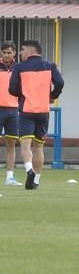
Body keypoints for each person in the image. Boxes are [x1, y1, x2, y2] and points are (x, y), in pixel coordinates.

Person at [9, 40, 64, 190]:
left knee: (25, 145)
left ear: (31, 51)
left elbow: (12, 89)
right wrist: (52, 95)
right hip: (43, 111)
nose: (20, 53)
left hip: (27, 111)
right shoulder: (50, 66)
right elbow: (60, 82)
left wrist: (22, 95)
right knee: (39, 147)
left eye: (22, 50)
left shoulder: (19, 67)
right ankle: (36, 181)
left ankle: (29, 171)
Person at [0, 41, 20, 186]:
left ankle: (10, 177)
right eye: (4, 52)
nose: (6, 55)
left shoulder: (19, 68)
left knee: (11, 144)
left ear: (14, 53)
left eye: (9, 52)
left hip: (13, 110)